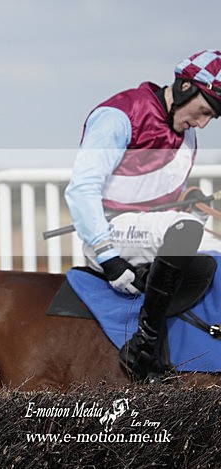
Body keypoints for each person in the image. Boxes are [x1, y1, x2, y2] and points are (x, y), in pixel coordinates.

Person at [65, 50, 221, 383]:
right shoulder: (119, 116)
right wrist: (108, 257)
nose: (202, 123)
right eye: (204, 111)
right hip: (108, 232)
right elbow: (81, 189)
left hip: (148, 231)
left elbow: (159, 200)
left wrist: (187, 205)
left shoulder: (186, 134)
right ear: (185, 88)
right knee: (184, 230)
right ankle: (143, 347)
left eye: (212, 118)